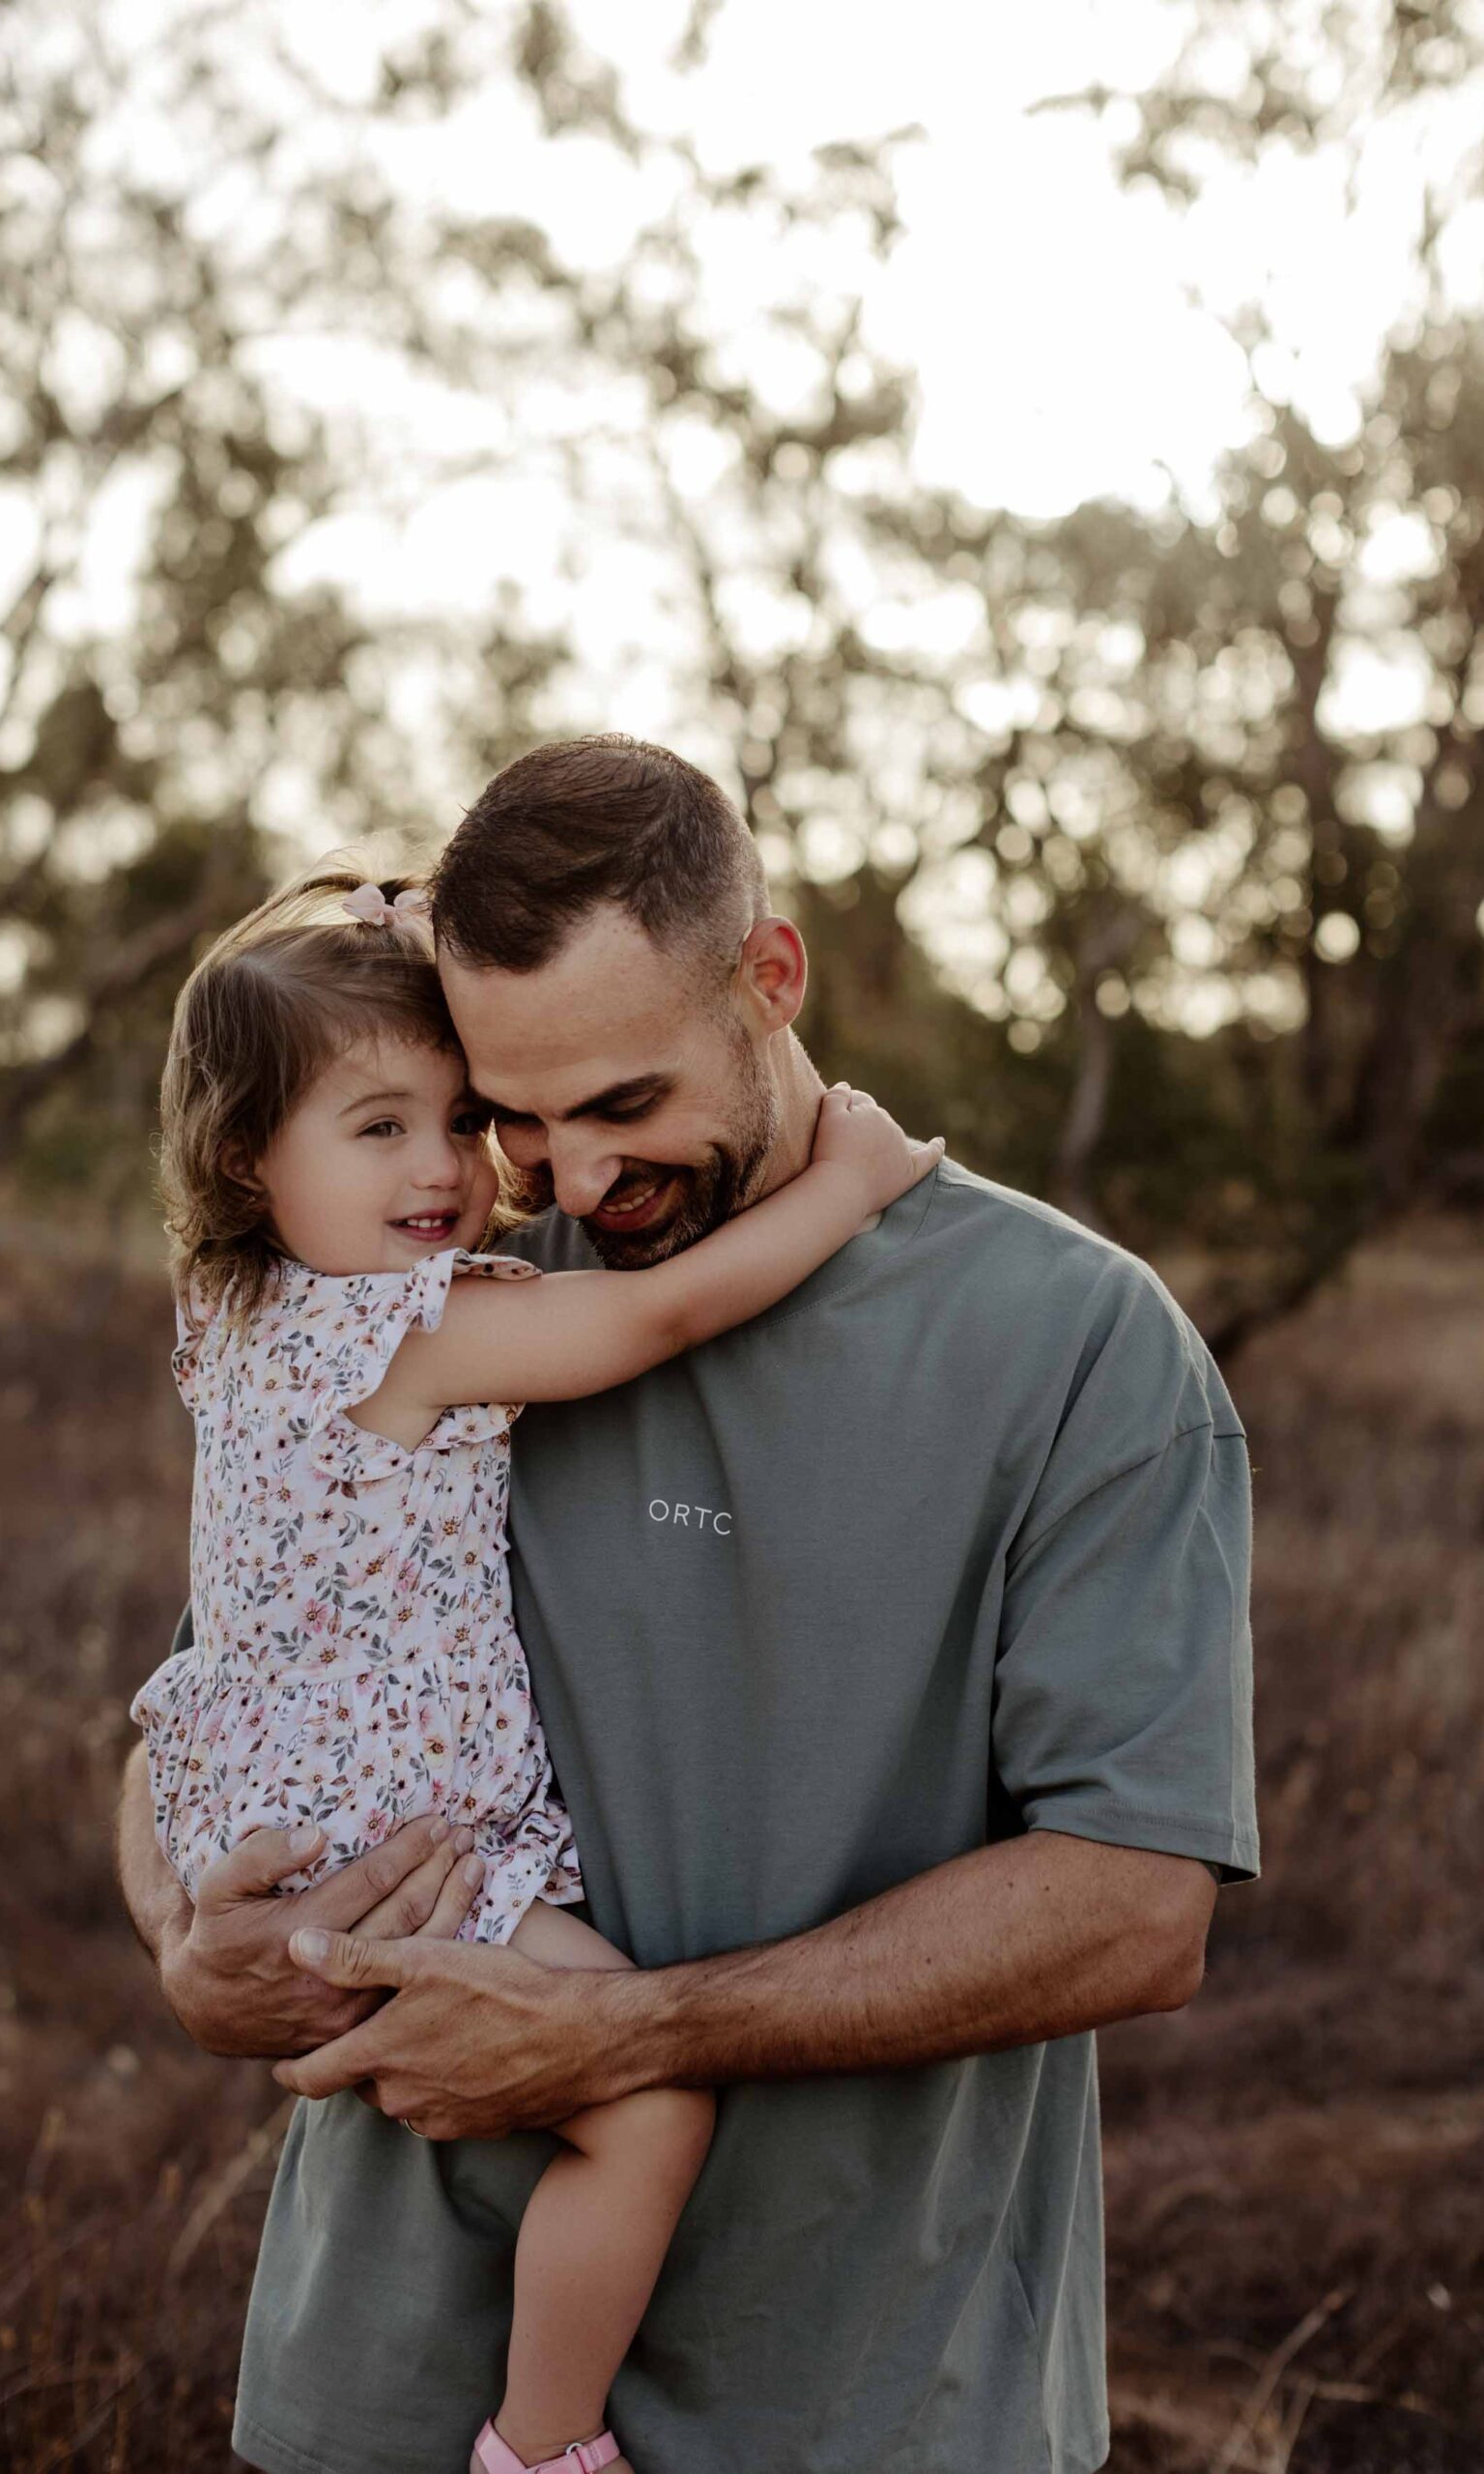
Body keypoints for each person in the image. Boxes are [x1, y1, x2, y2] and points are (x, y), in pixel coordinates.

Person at [118, 734, 1259, 2474]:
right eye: (513, 1112)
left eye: (622, 1105)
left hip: (872, 2405)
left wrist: (629, 2034)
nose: (568, 1181)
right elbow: (206, 1702)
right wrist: (189, 1953)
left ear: (770, 977)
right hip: (391, 2392)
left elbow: (1134, 1907)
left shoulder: (1075, 1345)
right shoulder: (439, 1276)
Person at [129, 863, 940, 2474]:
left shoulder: (238, 1306)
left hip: (276, 1807)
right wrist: (849, 1185)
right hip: (394, 1837)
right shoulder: (410, 1330)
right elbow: (656, 1319)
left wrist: (404, 936)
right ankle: (545, 2444)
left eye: (462, 1116)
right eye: (378, 1128)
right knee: (646, 2107)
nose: (444, 1168)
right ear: (245, 1155)